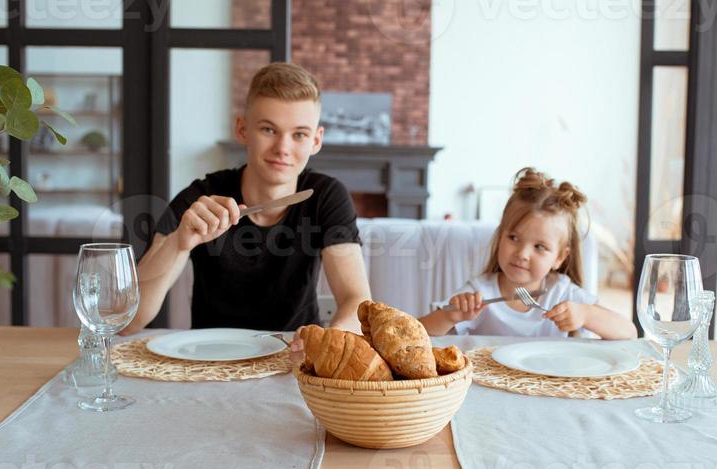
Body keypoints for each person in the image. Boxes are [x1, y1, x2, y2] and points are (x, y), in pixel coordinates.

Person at [124, 62, 369, 334]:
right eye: (268, 130)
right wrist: (177, 243)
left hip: (294, 361)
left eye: (299, 134)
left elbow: (355, 301)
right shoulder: (201, 198)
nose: (283, 148)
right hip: (210, 361)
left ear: (316, 141)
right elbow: (129, 321)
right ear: (242, 129)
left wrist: (329, 340)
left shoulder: (326, 196)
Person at [420, 168, 636, 341]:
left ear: (560, 257)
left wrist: (586, 315)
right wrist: (450, 316)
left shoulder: (561, 292)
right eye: (513, 238)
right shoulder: (480, 291)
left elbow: (629, 332)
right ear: (500, 236)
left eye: (540, 247)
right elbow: (419, 333)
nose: (522, 254)